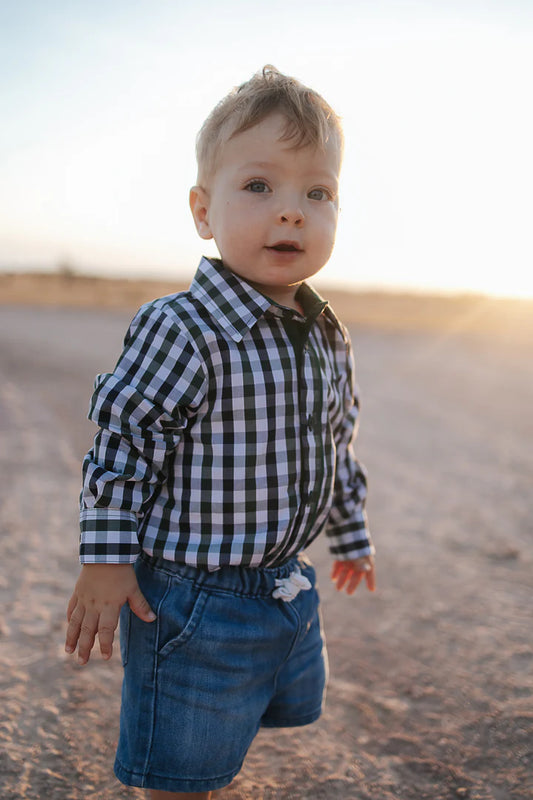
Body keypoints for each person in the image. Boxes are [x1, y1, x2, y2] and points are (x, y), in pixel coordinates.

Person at [65, 65, 376, 800]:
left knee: (234, 729)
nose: (291, 212)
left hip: (284, 587)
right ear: (203, 210)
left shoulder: (326, 334)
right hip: (192, 600)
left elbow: (334, 441)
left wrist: (350, 529)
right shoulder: (183, 327)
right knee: (180, 768)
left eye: (317, 192)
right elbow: (123, 442)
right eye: (259, 187)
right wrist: (107, 561)